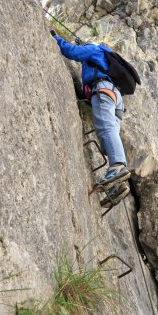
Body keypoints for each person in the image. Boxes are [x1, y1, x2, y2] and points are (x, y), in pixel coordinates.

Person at [50, 30, 131, 207]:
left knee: (106, 129)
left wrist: (54, 37)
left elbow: (71, 52)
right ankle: (117, 186)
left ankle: (117, 166)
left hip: (104, 90)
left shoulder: (95, 49)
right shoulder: (105, 60)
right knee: (108, 137)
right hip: (116, 98)